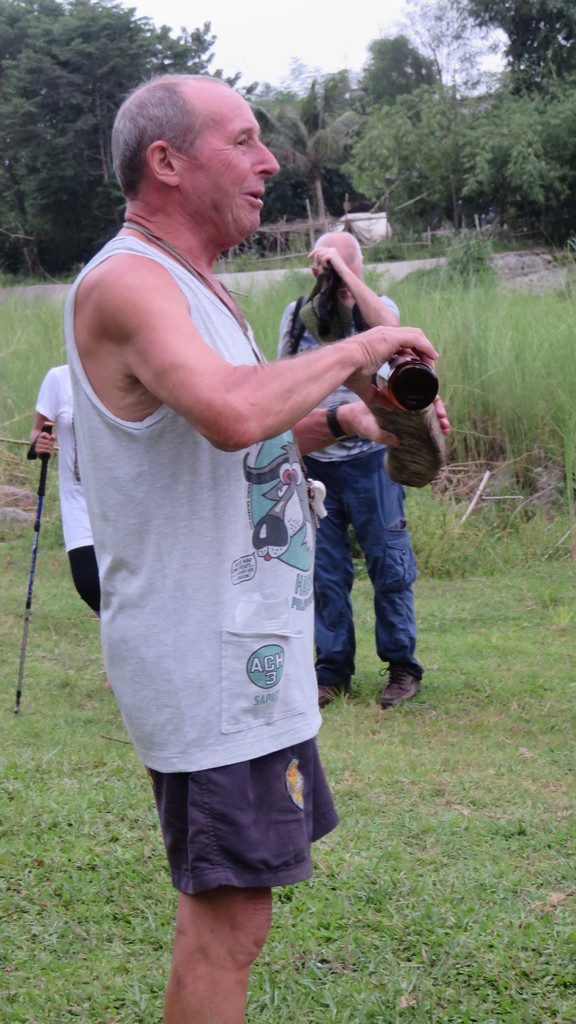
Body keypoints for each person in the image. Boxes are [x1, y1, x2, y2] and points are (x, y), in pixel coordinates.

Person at [64, 73, 441, 1024]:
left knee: (238, 918)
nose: (269, 161)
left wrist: (351, 418)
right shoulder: (127, 282)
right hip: (203, 660)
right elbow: (234, 413)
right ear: (166, 161)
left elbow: (238, 439)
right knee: (227, 926)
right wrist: (361, 347)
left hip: (248, 653)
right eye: (242, 141)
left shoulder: (198, 288)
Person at [278, 232, 449, 711]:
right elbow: (283, 379)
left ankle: (401, 666)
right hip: (316, 461)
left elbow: (392, 329)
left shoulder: (378, 309)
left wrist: (347, 276)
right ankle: (331, 671)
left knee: (389, 563)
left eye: (341, 265)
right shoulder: (298, 314)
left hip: (373, 459)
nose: (331, 274)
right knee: (324, 572)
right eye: (326, 265)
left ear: (358, 267)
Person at [29, 365, 100, 615]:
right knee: (89, 583)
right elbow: (37, 431)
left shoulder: (127, 373)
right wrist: (39, 444)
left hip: (122, 502)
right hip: (78, 500)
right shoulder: (59, 378)